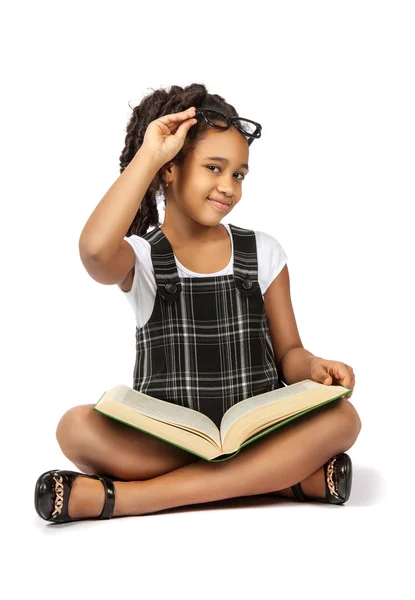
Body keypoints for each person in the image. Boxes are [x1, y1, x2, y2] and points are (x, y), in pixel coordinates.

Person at [34, 83, 362, 524]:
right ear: (169, 169)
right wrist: (149, 155)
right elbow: (94, 251)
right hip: (169, 441)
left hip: (257, 434)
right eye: (214, 168)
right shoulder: (143, 258)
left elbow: (289, 355)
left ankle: (131, 499)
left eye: (239, 175)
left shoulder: (263, 253)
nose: (228, 187)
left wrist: (315, 367)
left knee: (343, 418)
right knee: (74, 427)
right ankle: (281, 481)